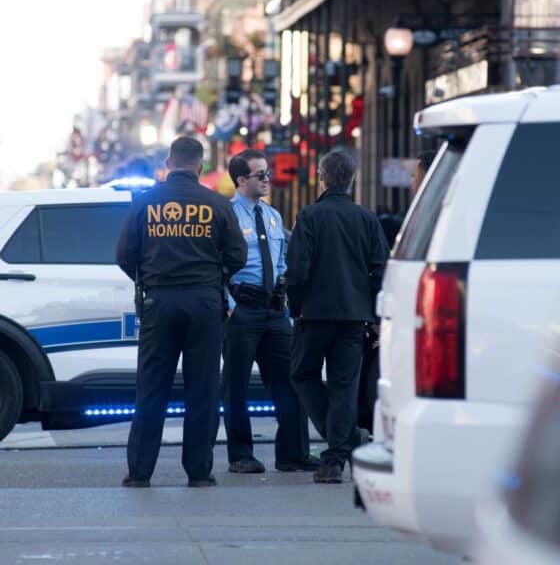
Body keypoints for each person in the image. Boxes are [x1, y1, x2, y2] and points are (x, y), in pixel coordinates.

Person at [116, 136, 247, 488]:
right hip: (204, 304)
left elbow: (124, 255)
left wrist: (147, 278)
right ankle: (199, 472)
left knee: (152, 387)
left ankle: (140, 472)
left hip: (159, 302)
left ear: (169, 163)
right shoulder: (217, 204)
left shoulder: (144, 203)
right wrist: (214, 276)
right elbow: (238, 256)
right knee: (202, 389)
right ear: (200, 166)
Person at [287, 149, 389, 484]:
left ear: (322, 176)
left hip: (314, 315)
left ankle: (338, 437)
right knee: (345, 385)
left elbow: (297, 270)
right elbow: (380, 270)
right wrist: (376, 315)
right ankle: (335, 456)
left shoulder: (310, 216)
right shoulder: (366, 219)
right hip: (353, 317)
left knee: (302, 374)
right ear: (352, 179)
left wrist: (295, 306)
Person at [222, 149, 319, 474]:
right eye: (259, 174)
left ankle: (292, 453)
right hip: (243, 308)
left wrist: (286, 300)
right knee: (236, 385)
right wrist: (230, 305)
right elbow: (218, 265)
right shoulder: (229, 215)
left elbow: (280, 262)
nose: (267, 179)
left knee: (291, 380)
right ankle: (240, 455)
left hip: (274, 311)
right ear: (240, 180)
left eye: (267, 173)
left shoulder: (273, 215)